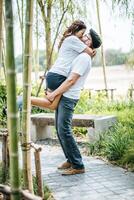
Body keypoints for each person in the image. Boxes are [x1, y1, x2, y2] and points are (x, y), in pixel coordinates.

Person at [45, 29, 102, 175]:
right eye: (84, 36)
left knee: (64, 129)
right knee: (60, 129)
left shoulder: (84, 58)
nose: (83, 39)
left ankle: (78, 165)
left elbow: (71, 80)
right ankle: (70, 159)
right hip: (65, 94)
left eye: (87, 38)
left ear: (92, 45)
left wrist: (53, 94)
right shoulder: (80, 55)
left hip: (69, 97)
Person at [31, 20, 95, 109]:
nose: (82, 36)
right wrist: (92, 50)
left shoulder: (69, 40)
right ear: (76, 30)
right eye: (82, 33)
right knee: (51, 104)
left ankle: (25, 100)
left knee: (52, 105)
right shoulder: (73, 39)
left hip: (53, 75)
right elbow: (90, 52)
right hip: (59, 76)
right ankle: (24, 99)